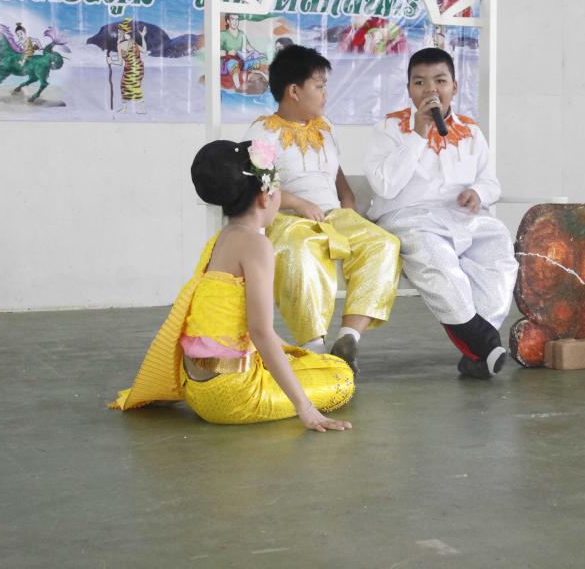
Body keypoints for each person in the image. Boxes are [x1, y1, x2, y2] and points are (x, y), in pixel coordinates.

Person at [110, 139, 354, 431]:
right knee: (340, 377)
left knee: (309, 361)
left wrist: (292, 351)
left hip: (196, 387)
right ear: (265, 196)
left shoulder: (219, 240)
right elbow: (260, 332)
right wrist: (307, 409)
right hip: (233, 396)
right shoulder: (257, 245)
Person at [244, 45, 401, 374]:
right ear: (294, 91)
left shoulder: (325, 126)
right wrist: (299, 203)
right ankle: (314, 346)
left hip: (334, 216)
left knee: (384, 244)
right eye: (319, 86)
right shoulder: (262, 132)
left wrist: (347, 198)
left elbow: (334, 169)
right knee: (298, 251)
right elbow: (259, 184)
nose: (325, 94)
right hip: (287, 219)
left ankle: (348, 338)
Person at [363, 47, 518, 379]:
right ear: (409, 89)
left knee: (499, 249)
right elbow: (384, 186)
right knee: (436, 259)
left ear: (454, 87)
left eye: (440, 81)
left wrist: (478, 193)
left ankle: (476, 351)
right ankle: (482, 342)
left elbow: (490, 182)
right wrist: (418, 135)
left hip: (464, 219)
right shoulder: (389, 128)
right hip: (409, 219)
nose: (430, 90)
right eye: (419, 82)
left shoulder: (471, 131)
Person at [107, 18, 146, 114]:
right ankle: (138, 108)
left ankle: (133, 108)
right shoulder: (132, 42)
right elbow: (144, 50)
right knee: (134, 85)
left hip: (131, 68)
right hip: (139, 67)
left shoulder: (120, 45)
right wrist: (142, 37)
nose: (118, 34)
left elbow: (120, 62)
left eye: (119, 33)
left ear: (123, 33)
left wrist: (111, 61)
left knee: (126, 85)